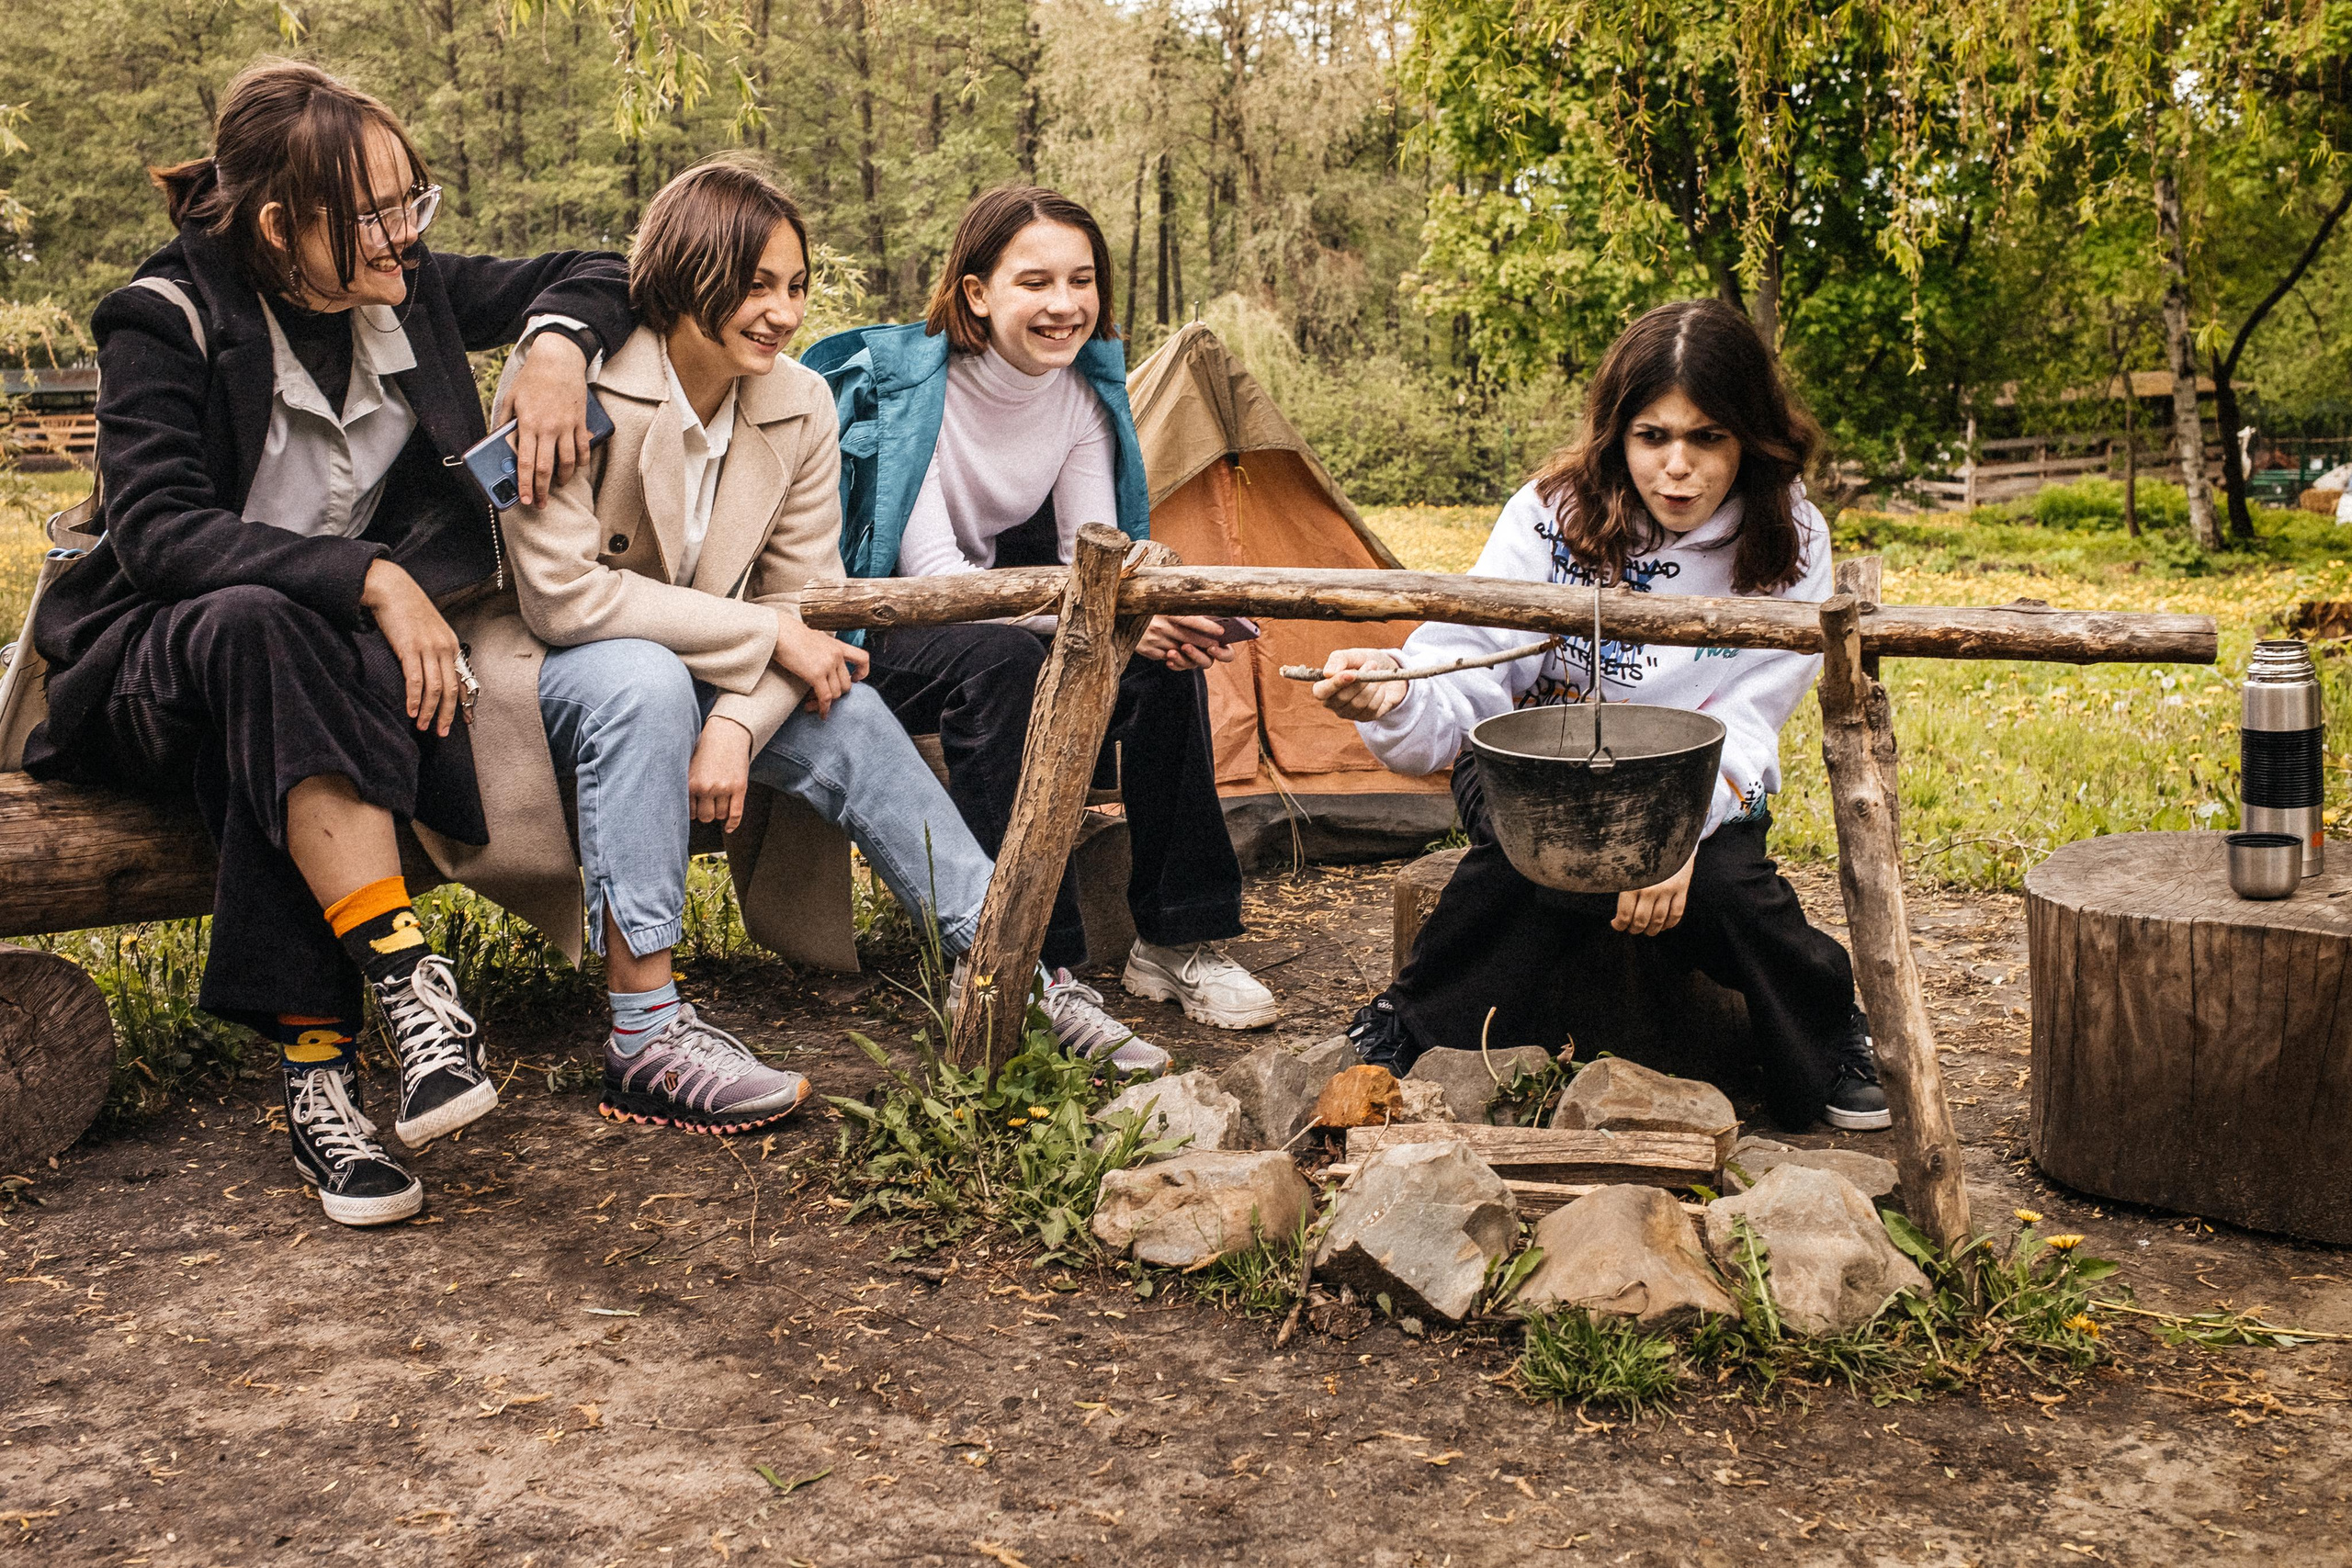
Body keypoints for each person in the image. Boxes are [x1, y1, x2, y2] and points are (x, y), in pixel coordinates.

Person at [20, 60, 637, 1225]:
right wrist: (370, 576)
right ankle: (408, 978)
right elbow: (157, 533)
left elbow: (601, 265)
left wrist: (554, 343)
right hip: (156, 663)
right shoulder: (163, 314)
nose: (406, 236)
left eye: (415, 201)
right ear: (276, 223)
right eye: (374, 215)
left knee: (289, 681)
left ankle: (321, 1082)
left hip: (304, 687)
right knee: (265, 628)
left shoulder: (406, 285)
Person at [504, 156, 1166, 1117]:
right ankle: (644, 1036)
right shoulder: (571, 387)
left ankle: (1010, 967)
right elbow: (560, 596)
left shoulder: (798, 400)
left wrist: (735, 724)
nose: (781, 312)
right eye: (755, 284)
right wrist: (759, 643)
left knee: (847, 714)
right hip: (567, 669)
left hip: (716, 669)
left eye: (795, 286)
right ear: (688, 273)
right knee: (644, 677)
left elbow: (803, 601)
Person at [1311, 299, 1888, 1133]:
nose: (1678, 468)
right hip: (1530, 770)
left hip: (1696, 785)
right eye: (1654, 437)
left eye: (1709, 438)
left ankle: (1828, 1031)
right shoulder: (1552, 513)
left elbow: (1755, 716)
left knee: (1725, 887)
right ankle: (1412, 1023)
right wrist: (1397, 689)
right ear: (1618, 433)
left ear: (1751, 439)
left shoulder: (1791, 537)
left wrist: (1678, 833)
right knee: (1535, 855)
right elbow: (1473, 659)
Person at [801, 186, 1276, 1034]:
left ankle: (1178, 936)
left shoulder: (1083, 397)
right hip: (891, 629)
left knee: (1160, 664)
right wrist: (1103, 620)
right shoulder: (910, 393)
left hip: (1007, 613)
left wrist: (1140, 624)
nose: (1065, 305)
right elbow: (938, 580)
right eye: (1036, 282)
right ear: (977, 293)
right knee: (1006, 663)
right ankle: (1035, 959)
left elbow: (1085, 553)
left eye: (1081, 280)